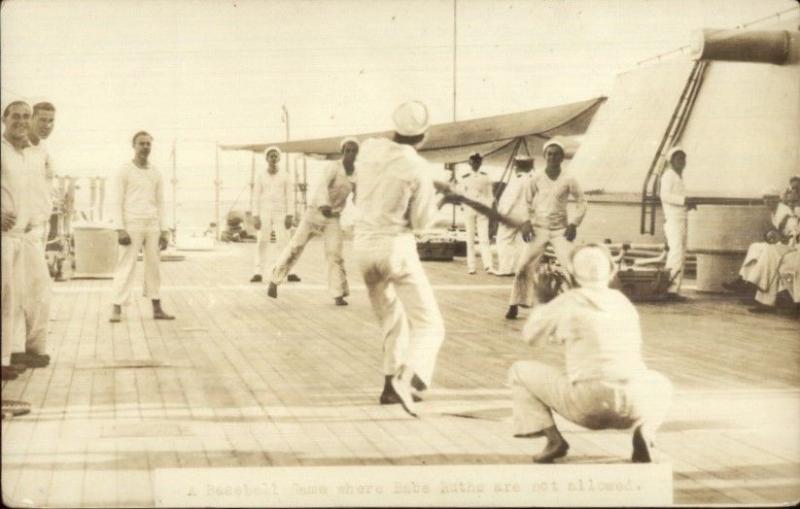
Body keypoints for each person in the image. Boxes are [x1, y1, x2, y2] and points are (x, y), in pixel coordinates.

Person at [508, 243, 672, 463]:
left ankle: (553, 440)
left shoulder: (566, 302)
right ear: (612, 271)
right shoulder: (623, 303)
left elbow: (531, 337)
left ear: (572, 274)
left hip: (587, 405)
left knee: (519, 372)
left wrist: (543, 304)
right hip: (635, 403)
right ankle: (646, 431)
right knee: (662, 382)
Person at [353, 101, 448, 416]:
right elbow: (421, 224)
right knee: (430, 324)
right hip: (395, 247)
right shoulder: (418, 168)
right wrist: (440, 198)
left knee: (392, 321)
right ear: (424, 135)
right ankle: (408, 378)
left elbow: (384, 167)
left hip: (363, 247)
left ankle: (389, 388)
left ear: (394, 127)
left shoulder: (368, 150)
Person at [268, 138, 357, 305]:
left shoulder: (356, 175)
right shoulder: (334, 167)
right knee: (295, 247)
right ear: (342, 152)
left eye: (354, 151)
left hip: (333, 218)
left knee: (334, 254)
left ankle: (338, 294)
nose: (350, 154)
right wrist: (323, 204)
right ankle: (274, 280)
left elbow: (358, 196)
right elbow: (322, 185)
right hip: (314, 213)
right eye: (348, 150)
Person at [506, 140, 587, 320]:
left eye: (556, 154)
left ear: (562, 157)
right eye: (549, 154)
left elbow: (582, 201)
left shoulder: (569, 179)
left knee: (571, 266)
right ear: (544, 156)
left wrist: (574, 223)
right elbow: (525, 202)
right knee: (523, 265)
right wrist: (526, 222)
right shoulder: (535, 178)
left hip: (561, 231)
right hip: (538, 229)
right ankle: (514, 304)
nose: (552, 157)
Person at [109, 131, 174, 323]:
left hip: (152, 224)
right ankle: (116, 307)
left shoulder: (156, 172)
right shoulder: (124, 170)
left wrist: (164, 229)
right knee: (126, 266)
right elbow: (116, 201)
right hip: (131, 224)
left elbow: (161, 202)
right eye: (141, 144)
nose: (145, 147)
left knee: (153, 266)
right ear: (134, 145)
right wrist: (120, 228)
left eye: (148, 144)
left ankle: (157, 307)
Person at [10, 102, 57, 369]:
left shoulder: (43, 151)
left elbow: (43, 190)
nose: (46, 125)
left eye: (51, 121)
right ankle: (18, 350)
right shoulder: (18, 151)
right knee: (19, 292)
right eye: (42, 119)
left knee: (38, 291)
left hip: (38, 229)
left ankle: (32, 348)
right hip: (20, 231)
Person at [1, 100, 33, 416]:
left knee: (9, 305)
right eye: (15, 116)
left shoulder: (22, 154)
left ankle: (2, 363)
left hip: (18, 238)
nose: (21, 121)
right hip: (1, 236)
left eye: (26, 116)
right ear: (4, 119)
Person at [724, 188, 799, 313]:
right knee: (766, 250)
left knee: (770, 252)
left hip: (794, 247)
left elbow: (791, 235)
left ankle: (750, 285)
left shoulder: (786, 212)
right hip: (791, 245)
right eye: (790, 202)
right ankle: (754, 290)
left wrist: (784, 237)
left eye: (794, 202)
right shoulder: (787, 213)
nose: (791, 205)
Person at [250, 146, 295, 283]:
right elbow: (256, 197)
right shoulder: (260, 176)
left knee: (285, 241)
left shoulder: (286, 176)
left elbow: (290, 196)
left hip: (281, 212)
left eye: (276, 156)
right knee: (262, 241)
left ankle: (288, 271)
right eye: (271, 156)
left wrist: (290, 215)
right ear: (266, 159)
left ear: (279, 158)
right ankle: (258, 272)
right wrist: (255, 216)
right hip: (264, 212)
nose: (273, 159)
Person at [659, 147, 694, 302]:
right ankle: (670, 289)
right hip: (673, 220)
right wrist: (684, 201)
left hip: (681, 218)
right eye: (679, 159)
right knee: (676, 253)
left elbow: (678, 198)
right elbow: (664, 195)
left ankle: (674, 289)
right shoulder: (668, 176)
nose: (682, 162)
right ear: (671, 161)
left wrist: (688, 204)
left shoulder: (679, 177)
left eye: (684, 159)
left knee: (681, 253)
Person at [495, 155, 533, 276]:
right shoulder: (533, 179)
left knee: (504, 240)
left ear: (516, 166)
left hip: (512, 214)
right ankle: (518, 269)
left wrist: (501, 214)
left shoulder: (517, 179)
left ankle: (505, 269)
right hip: (526, 217)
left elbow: (510, 198)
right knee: (519, 243)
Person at [459, 153, 494, 274]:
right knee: (470, 238)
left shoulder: (486, 177)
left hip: (482, 210)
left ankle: (488, 266)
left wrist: (487, 208)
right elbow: (461, 195)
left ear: (480, 163)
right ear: (469, 163)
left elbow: (490, 195)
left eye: (477, 162)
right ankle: (471, 266)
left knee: (484, 238)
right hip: (469, 210)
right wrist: (465, 207)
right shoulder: (464, 178)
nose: (475, 164)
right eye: (473, 162)